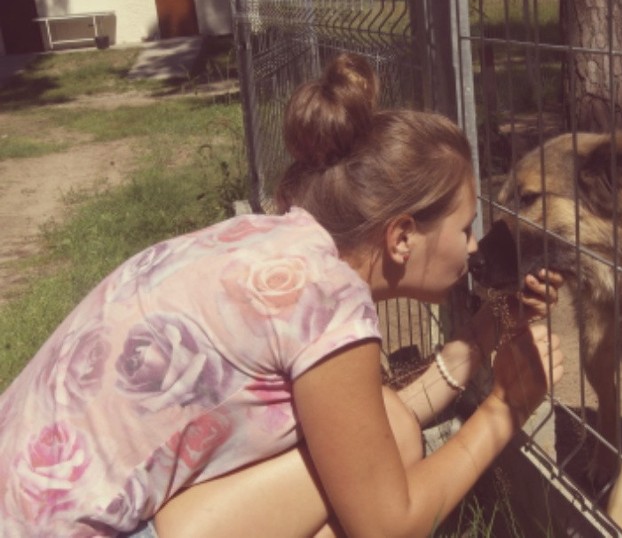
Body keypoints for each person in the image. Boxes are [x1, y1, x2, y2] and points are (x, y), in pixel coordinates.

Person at [0, 52, 564, 538]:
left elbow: (353, 436)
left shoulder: (270, 242)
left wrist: (482, 338)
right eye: (464, 228)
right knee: (392, 449)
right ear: (401, 236)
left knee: (389, 426)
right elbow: (390, 524)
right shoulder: (329, 302)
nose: (471, 249)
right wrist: (504, 408)